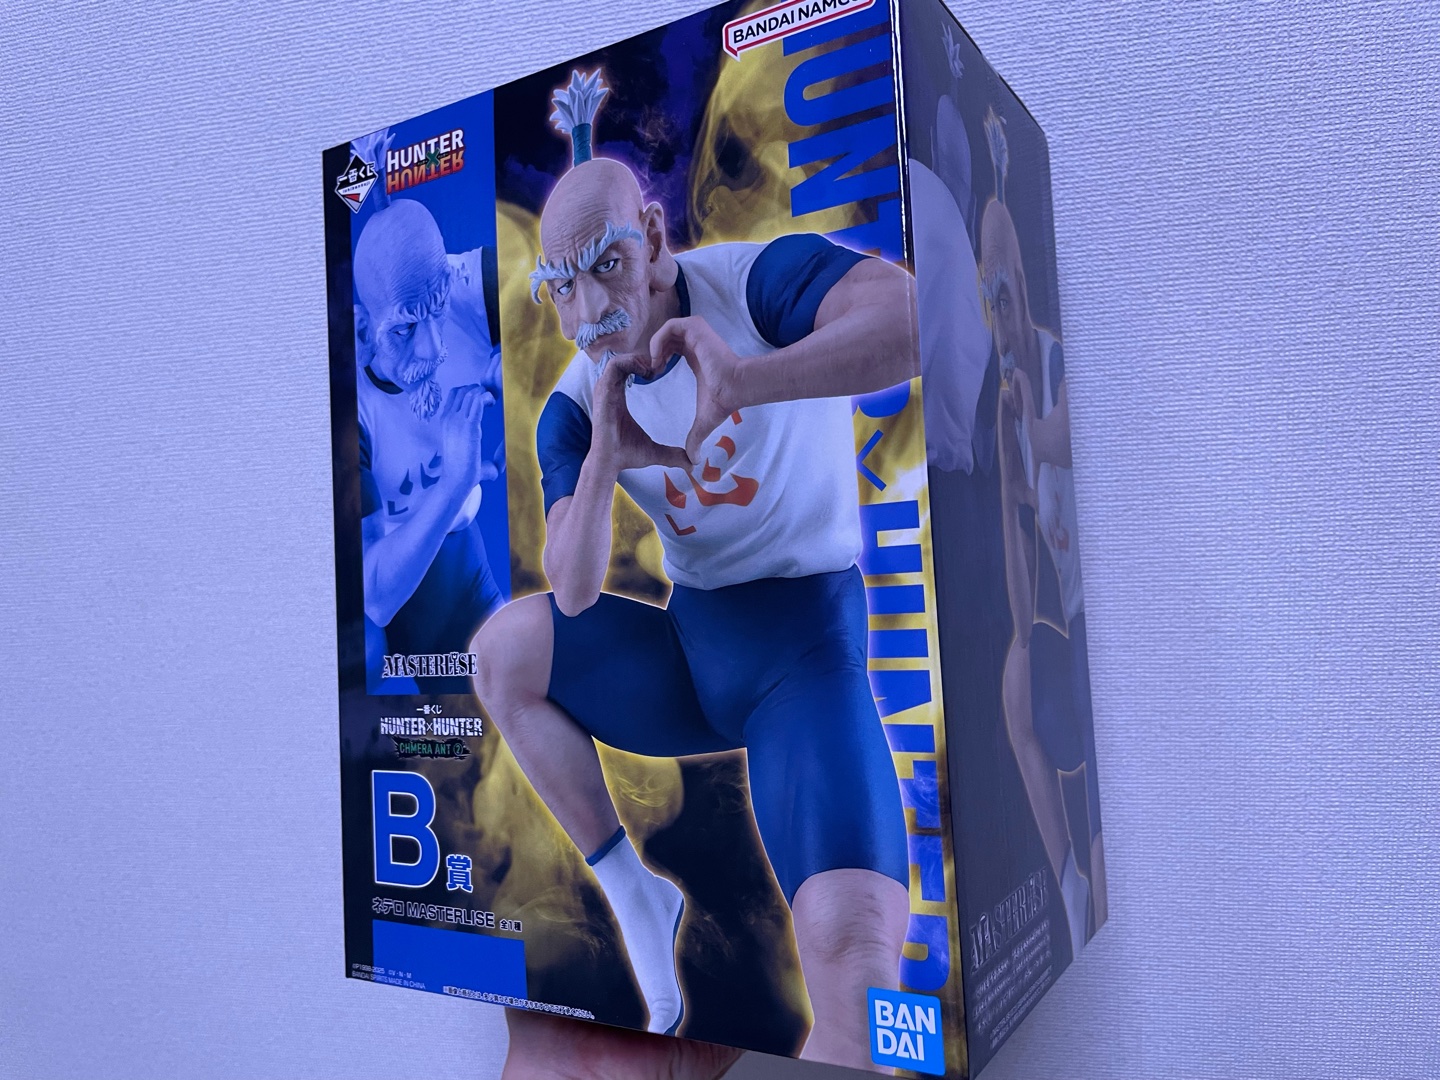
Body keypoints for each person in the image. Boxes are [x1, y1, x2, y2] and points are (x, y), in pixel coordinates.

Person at [473, 70, 917, 1070]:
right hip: (692, 653)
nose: (592, 309)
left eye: (609, 265)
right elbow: (574, 589)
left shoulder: (752, 283)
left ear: (655, 238)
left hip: (804, 658)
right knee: (502, 651)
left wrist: (750, 378)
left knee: (854, 963)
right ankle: (633, 888)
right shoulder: (577, 401)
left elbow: (912, 321)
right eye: (563, 284)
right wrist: (604, 451)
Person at [980, 110, 1107, 961]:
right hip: (1064, 617)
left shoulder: (1056, 367)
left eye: (1007, 291)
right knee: (1012, 680)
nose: (1002, 312)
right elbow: (1023, 606)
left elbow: (1060, 441)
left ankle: (1089, 867)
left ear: (1022, 283)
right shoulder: (1012, 398)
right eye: (989, 299)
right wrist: (1004, 476)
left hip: (1102, 618)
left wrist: (1027, 428)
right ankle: (1066, 884)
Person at [352, 197, 506, 694]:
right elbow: (377, 597)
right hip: (410, 606)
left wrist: (531, 367)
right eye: (403, 329)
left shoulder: (464, 284)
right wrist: (456, 481)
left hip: (470, 568)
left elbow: (570, 285)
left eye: (438, 310)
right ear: (363, 331)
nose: (434, 347)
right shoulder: (351, 404)